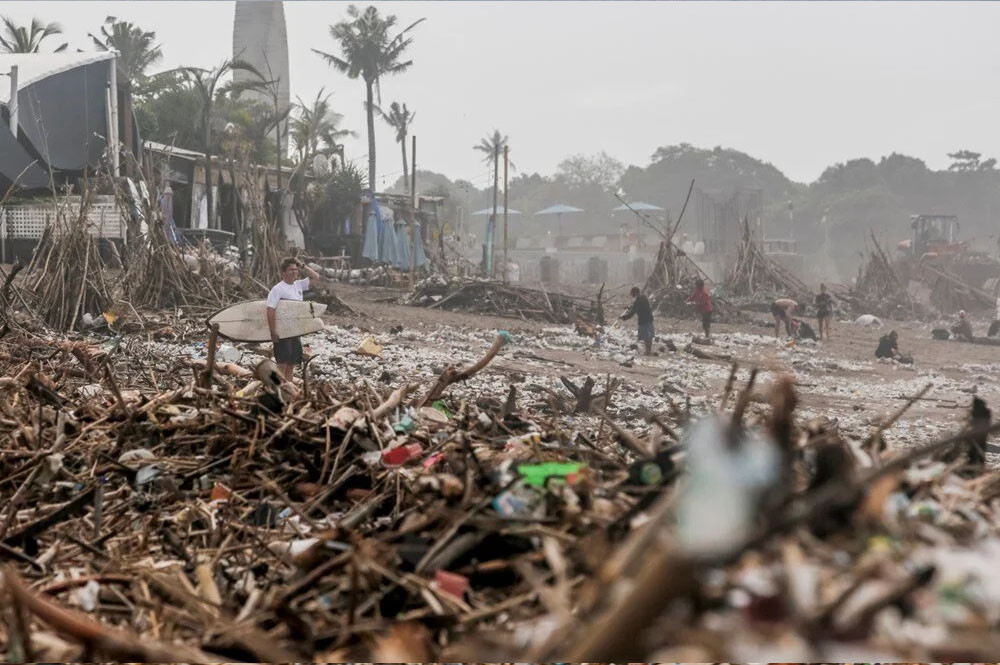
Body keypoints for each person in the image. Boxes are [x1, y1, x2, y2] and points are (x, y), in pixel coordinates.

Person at [266, 255, 321, 382]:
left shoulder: (299, 285)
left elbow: (316, 277)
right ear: (284, 272)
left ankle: (289, 390)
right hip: (283, 332)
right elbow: (270, 310)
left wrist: (302, 265)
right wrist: (272, 331)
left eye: (296, 269)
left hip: (295, 331)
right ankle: (276, 390)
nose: (295, 272)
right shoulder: (278, 289)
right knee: (282, 364)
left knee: (291, 364)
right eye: (291, 270)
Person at [621, 286, 655, 355]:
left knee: (646, 336)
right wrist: (629, 308)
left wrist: (624, 317)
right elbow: (634, 307)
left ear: (635, 293)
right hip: (649, 318)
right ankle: (648, 350)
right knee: (649, 336)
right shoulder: (643, 298)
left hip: (644, 320)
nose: (632, 296)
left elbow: (633, 311)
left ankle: (648, 351)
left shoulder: (639, 300)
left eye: (632, 294)